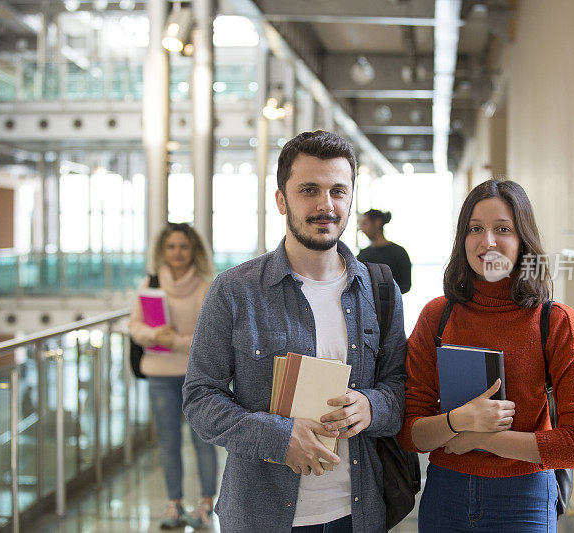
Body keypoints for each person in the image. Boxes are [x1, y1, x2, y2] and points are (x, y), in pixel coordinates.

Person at [183, 130, 407, 533]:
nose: (326, 205)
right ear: (281, 200)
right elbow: (200, 398)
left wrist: (372, 407)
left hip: (359, 514)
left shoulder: (380, 289)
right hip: (262, 516)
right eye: (309, 190)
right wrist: (278, 437)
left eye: (339, 190)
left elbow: (399, 387)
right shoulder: (235, 290)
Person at [397, 179, 574, 532]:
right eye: (475, 228)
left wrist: (481, 439)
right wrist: (459, 420)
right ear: (462, 239)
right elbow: (409, 433)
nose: (487, 241)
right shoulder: (437, 316)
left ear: (523, 240)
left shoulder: (555, 322)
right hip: (446, 493)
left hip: (524, 497)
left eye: (503, 229)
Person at [128, 222, 218, 530]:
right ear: (162, 251)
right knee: (168, 442)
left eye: (183, 246)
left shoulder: (208, 285)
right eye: (171, 247)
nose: (177, 252)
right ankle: (175, 503)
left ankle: (206, 504)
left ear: (193, 249)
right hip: (160, 375)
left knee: (202, 441)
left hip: (197, 377)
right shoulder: (151, 283)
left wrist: (176, 342)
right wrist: (155, 334)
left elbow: (213, 338)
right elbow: (135, 328)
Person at [357, 209, 412, 293]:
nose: (361, 229)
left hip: (393, 305)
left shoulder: (398, 252)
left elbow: (406, 285)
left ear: (377, 223)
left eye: (365, 224)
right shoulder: (362, 255)